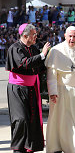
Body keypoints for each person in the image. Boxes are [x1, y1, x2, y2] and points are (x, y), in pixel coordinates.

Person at [6, 23, 50, 152]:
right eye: (34, 34)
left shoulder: (34, 48)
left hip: (31, 89)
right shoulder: (15, 48)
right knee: (20, 119)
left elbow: (41, 67)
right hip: (17, 89)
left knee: (32, 120)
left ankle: (29, 148)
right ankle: (18, 149)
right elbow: (24, 63)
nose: (36, 36)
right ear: (25, 35)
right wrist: (42, 55)